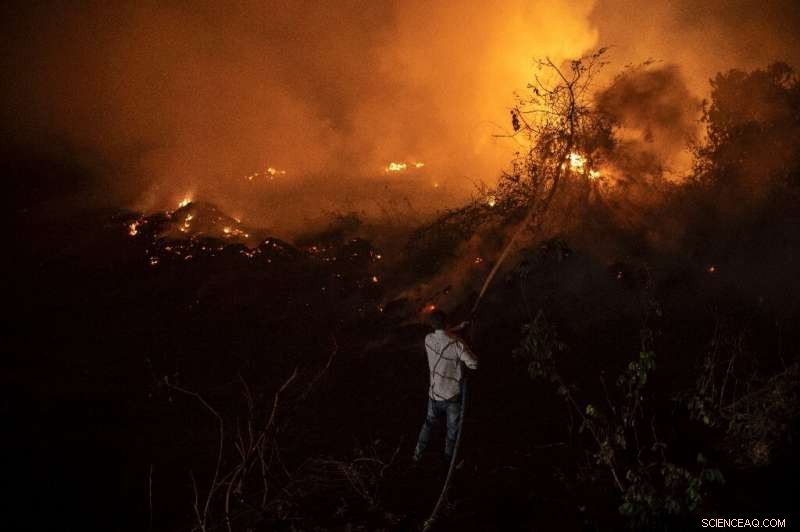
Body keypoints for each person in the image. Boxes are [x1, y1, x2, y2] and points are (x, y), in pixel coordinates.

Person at [413, 309, 478, 465]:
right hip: (451, 396)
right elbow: (474, 364)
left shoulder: (428, 339)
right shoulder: (457, 344)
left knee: (428, 424)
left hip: (434, 394)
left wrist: (457, 328)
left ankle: (417, 455)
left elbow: (442, 334)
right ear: (447, 323)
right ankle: (448, 459)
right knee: (451, 430)